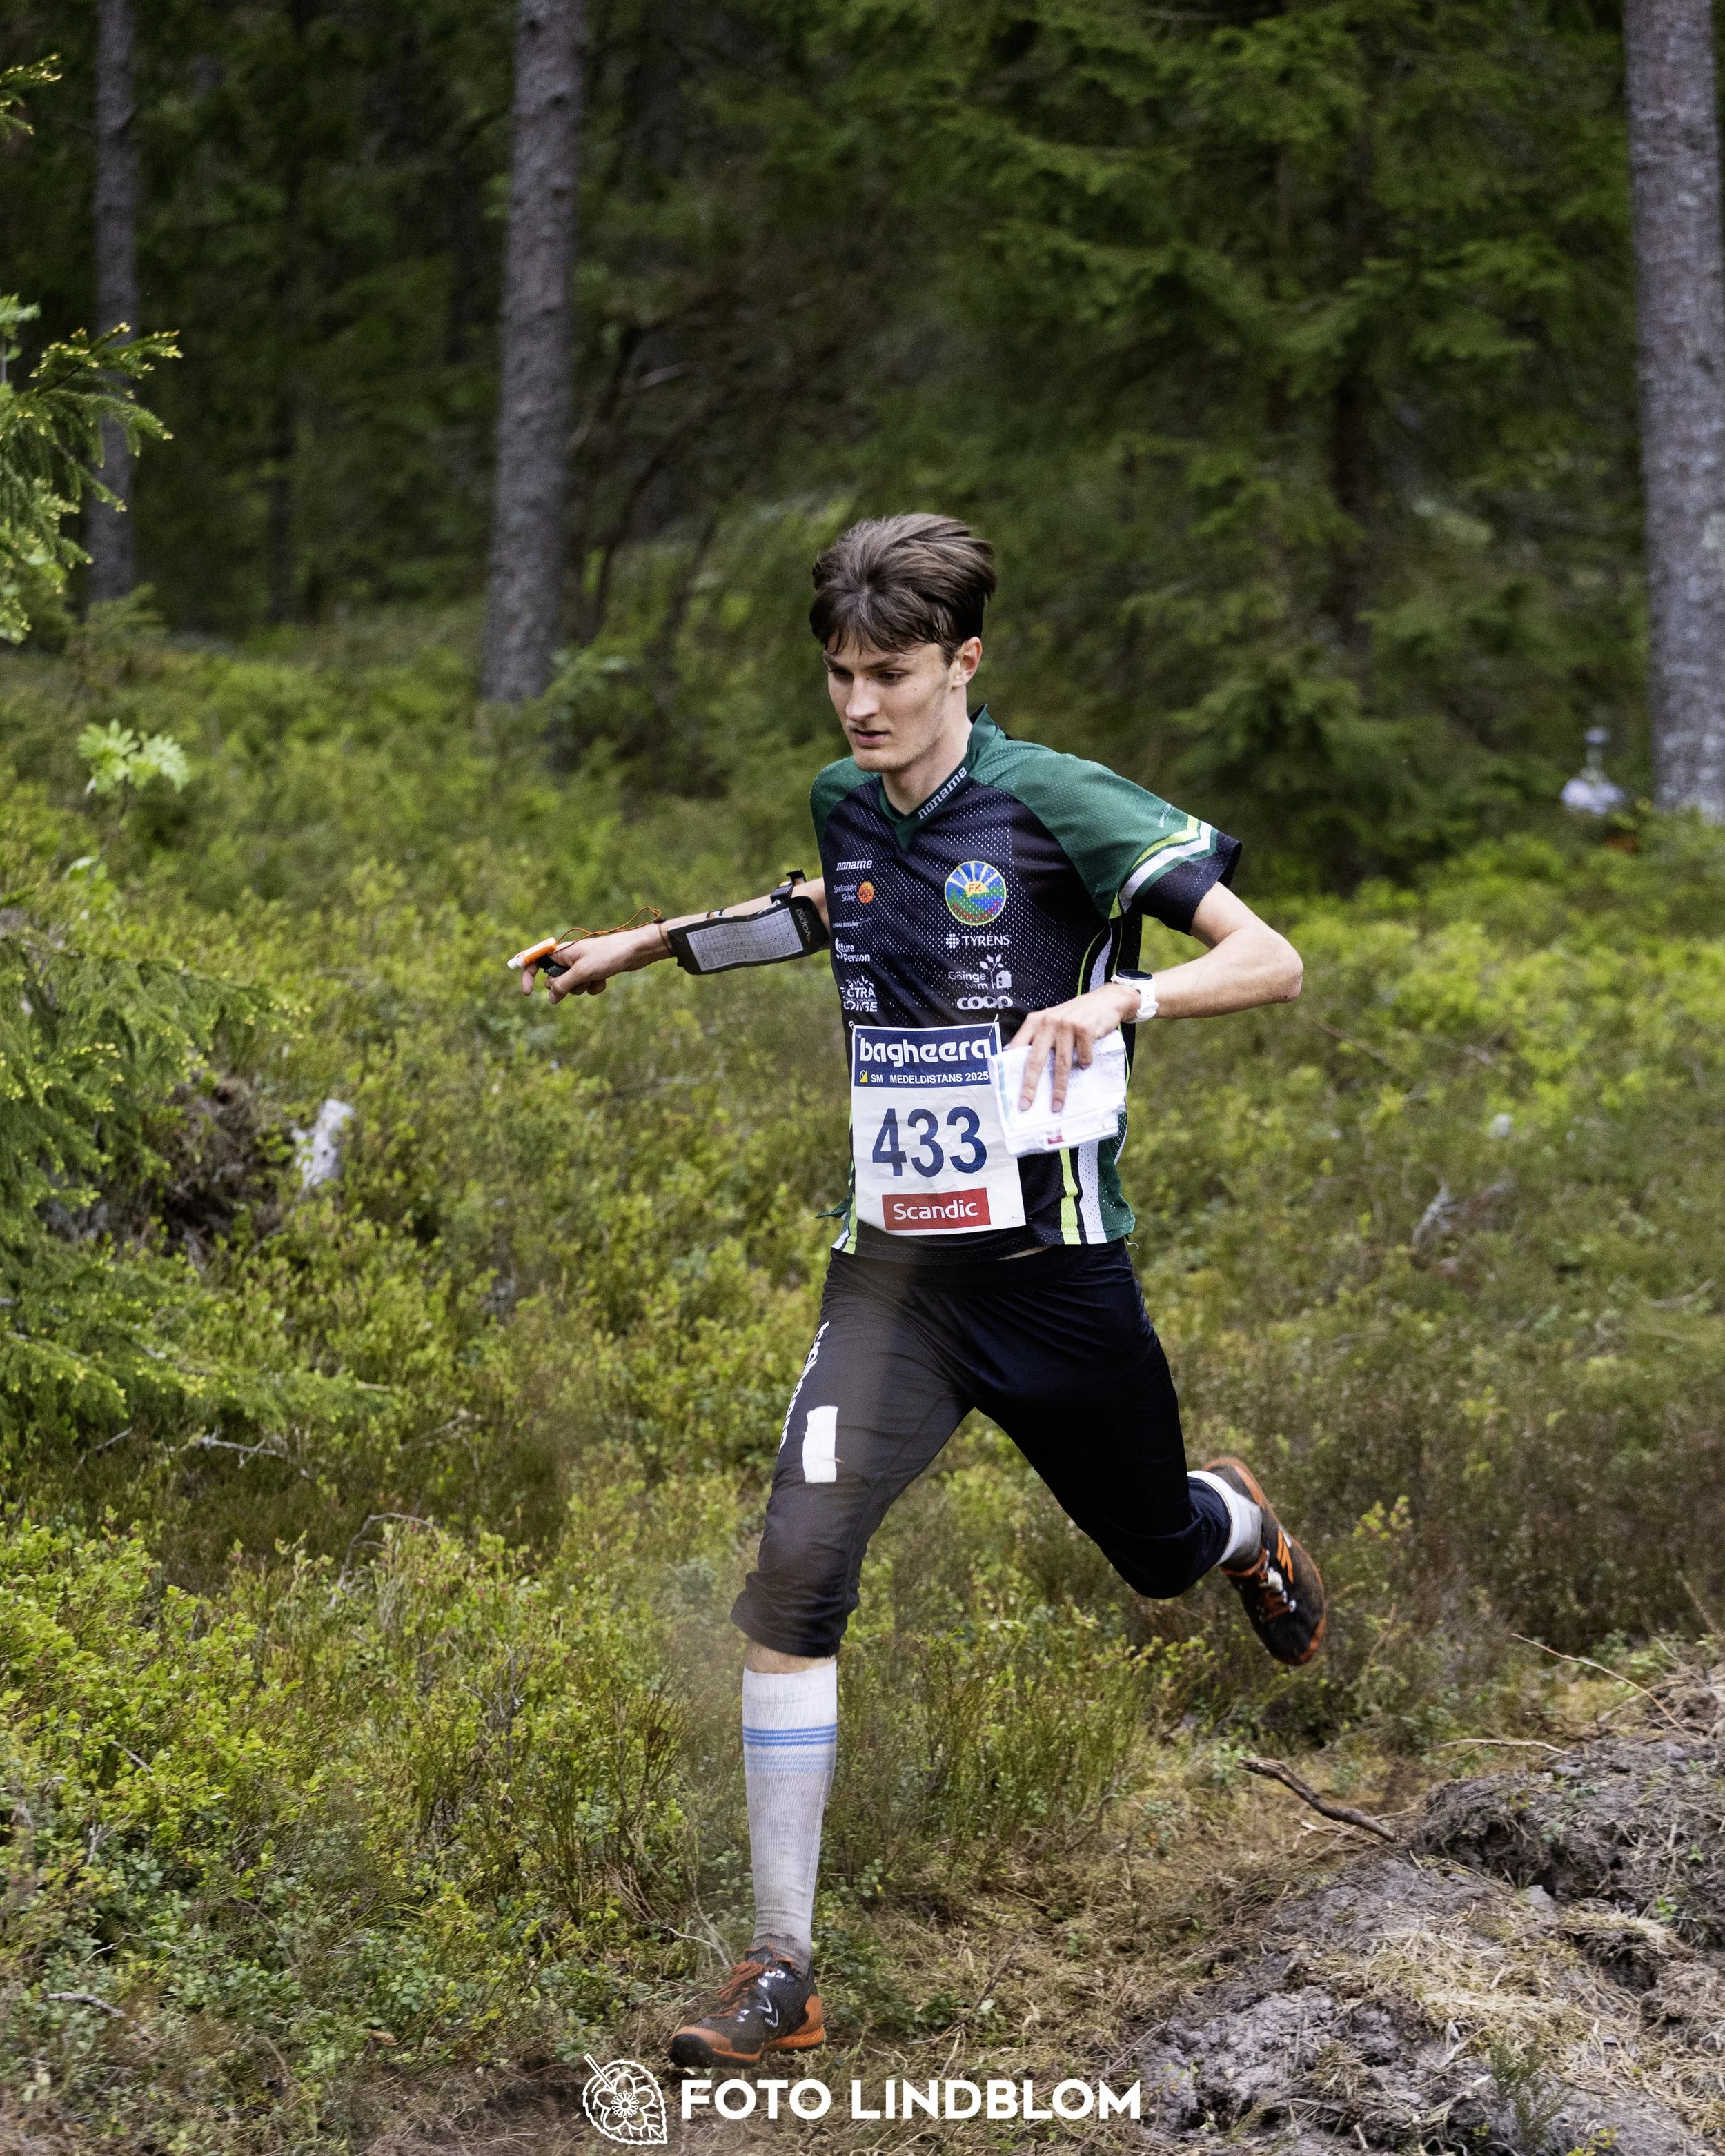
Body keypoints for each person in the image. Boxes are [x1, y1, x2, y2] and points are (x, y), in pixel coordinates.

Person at [519, 513, 1325, 2073]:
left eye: (888, 674)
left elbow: (1273, 958)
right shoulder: (847, 798)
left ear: (964, 660)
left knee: (1153, 1549)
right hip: (890, 1288)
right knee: (794, 1571)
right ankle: (782, 1968)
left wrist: (1125, 991)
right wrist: (643, 945)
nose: (857, 706)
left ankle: (1234, 1519)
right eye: (836, 675)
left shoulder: (1060, 802)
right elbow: (830, 901)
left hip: (1054, 1285)